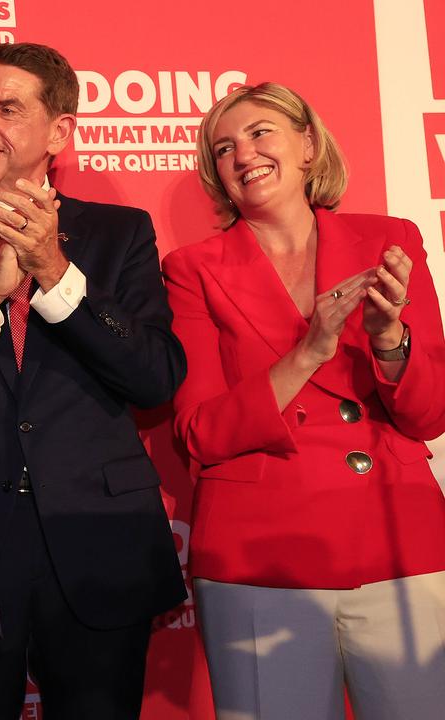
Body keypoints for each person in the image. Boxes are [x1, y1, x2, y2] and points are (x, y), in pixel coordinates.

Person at [0, 43, 187, 719]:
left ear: (59, 132)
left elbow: (155, 377)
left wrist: (59, 275)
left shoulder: (121, 235)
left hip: (99, 543)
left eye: (7, 107)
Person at [161, 81, 445, 719]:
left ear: (308, 144)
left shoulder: (389, 240)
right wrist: (310, 350)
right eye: (224, 147)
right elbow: (201, 432)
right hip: (262, 556)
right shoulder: (193, 268)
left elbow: (429, 414)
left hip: (400, 544)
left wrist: (390, 340)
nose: (245, 154)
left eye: (262, 132)